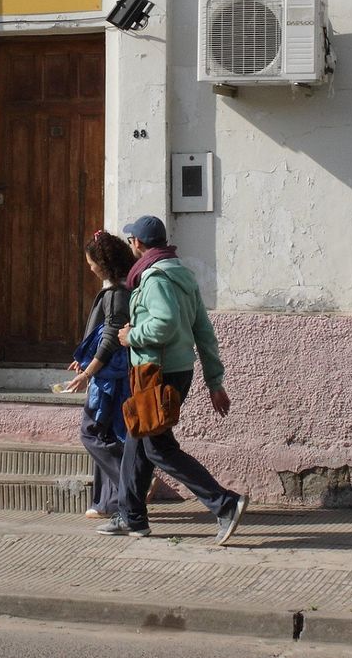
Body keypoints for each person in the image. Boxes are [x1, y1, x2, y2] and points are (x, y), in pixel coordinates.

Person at [96, 214, 247, 545]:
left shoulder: (155, 279)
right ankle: (132, 516)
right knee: (139, 441)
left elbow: (163, 324)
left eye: (132, 239)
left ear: (138, 243)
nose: (131, 244)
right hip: (174, 370)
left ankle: (224, 504)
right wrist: (214, 379)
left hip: (156, 371)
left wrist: (131, 335)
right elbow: (202, 331)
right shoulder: (182, 274)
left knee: (158, 448)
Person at [64, 230, 136, 519]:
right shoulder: (117, 292)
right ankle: (108, 502)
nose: (90, 267)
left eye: (92, 262)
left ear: (104, 263)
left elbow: (109, 339)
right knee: (107, 433)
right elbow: (100, 336)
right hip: (107, 373)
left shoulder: (117, 294)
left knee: (92, 432)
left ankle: (132, 483)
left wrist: (89, 371)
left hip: (111, 378)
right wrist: (83, 362)